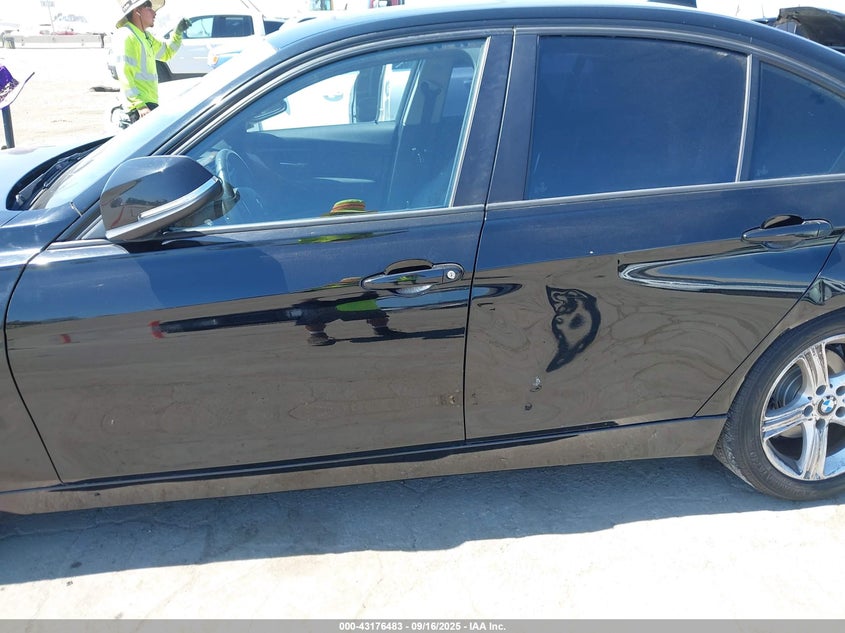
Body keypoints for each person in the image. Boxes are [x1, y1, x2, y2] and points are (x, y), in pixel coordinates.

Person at [112, 0, 190, 123]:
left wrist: (177, 33)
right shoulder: (126, 35)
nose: (154, 13)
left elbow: (167, 53)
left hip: (148, 103)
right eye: (149, 8)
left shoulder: (145, 36)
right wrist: (139, 105)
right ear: (137, 10)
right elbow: (125, 73)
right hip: (140, 108)